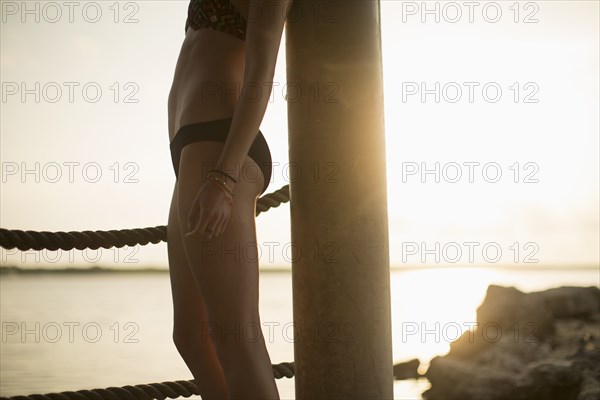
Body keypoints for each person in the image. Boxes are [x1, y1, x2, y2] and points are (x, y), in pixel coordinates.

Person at [166, 0, 291, 398]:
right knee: (190, 335)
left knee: (237, 336)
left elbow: (261, 73)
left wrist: (223, 177)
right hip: (192, 151)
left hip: (221, 148)